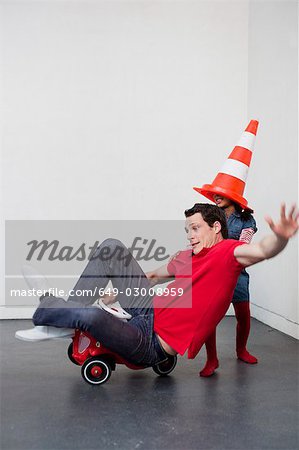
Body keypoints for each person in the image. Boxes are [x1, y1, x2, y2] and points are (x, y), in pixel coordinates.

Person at [16, 203, 298, 373]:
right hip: (146, 309)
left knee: (93, 318)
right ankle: (59, 313)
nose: (189, 235)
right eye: (186, 229)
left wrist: (281, 239)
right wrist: (118, 292)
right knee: (111, 247)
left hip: (150, 343)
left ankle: (49, 309)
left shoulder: (228, 253)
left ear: (215, 227)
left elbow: (261, 250)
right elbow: (151, 276)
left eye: (195, 228)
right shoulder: (186, 257)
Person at [199, 194, 258, 377]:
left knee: (243, 315)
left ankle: (241, 351)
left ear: (232, 196)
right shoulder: (210, 216)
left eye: (221, 194)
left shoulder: (247, 219)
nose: (216, 196)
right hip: (213, 273)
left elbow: (243, 246)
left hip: (237, 273)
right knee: (209, 318)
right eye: (215, 193)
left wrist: (220, 247)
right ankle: (212, 359)